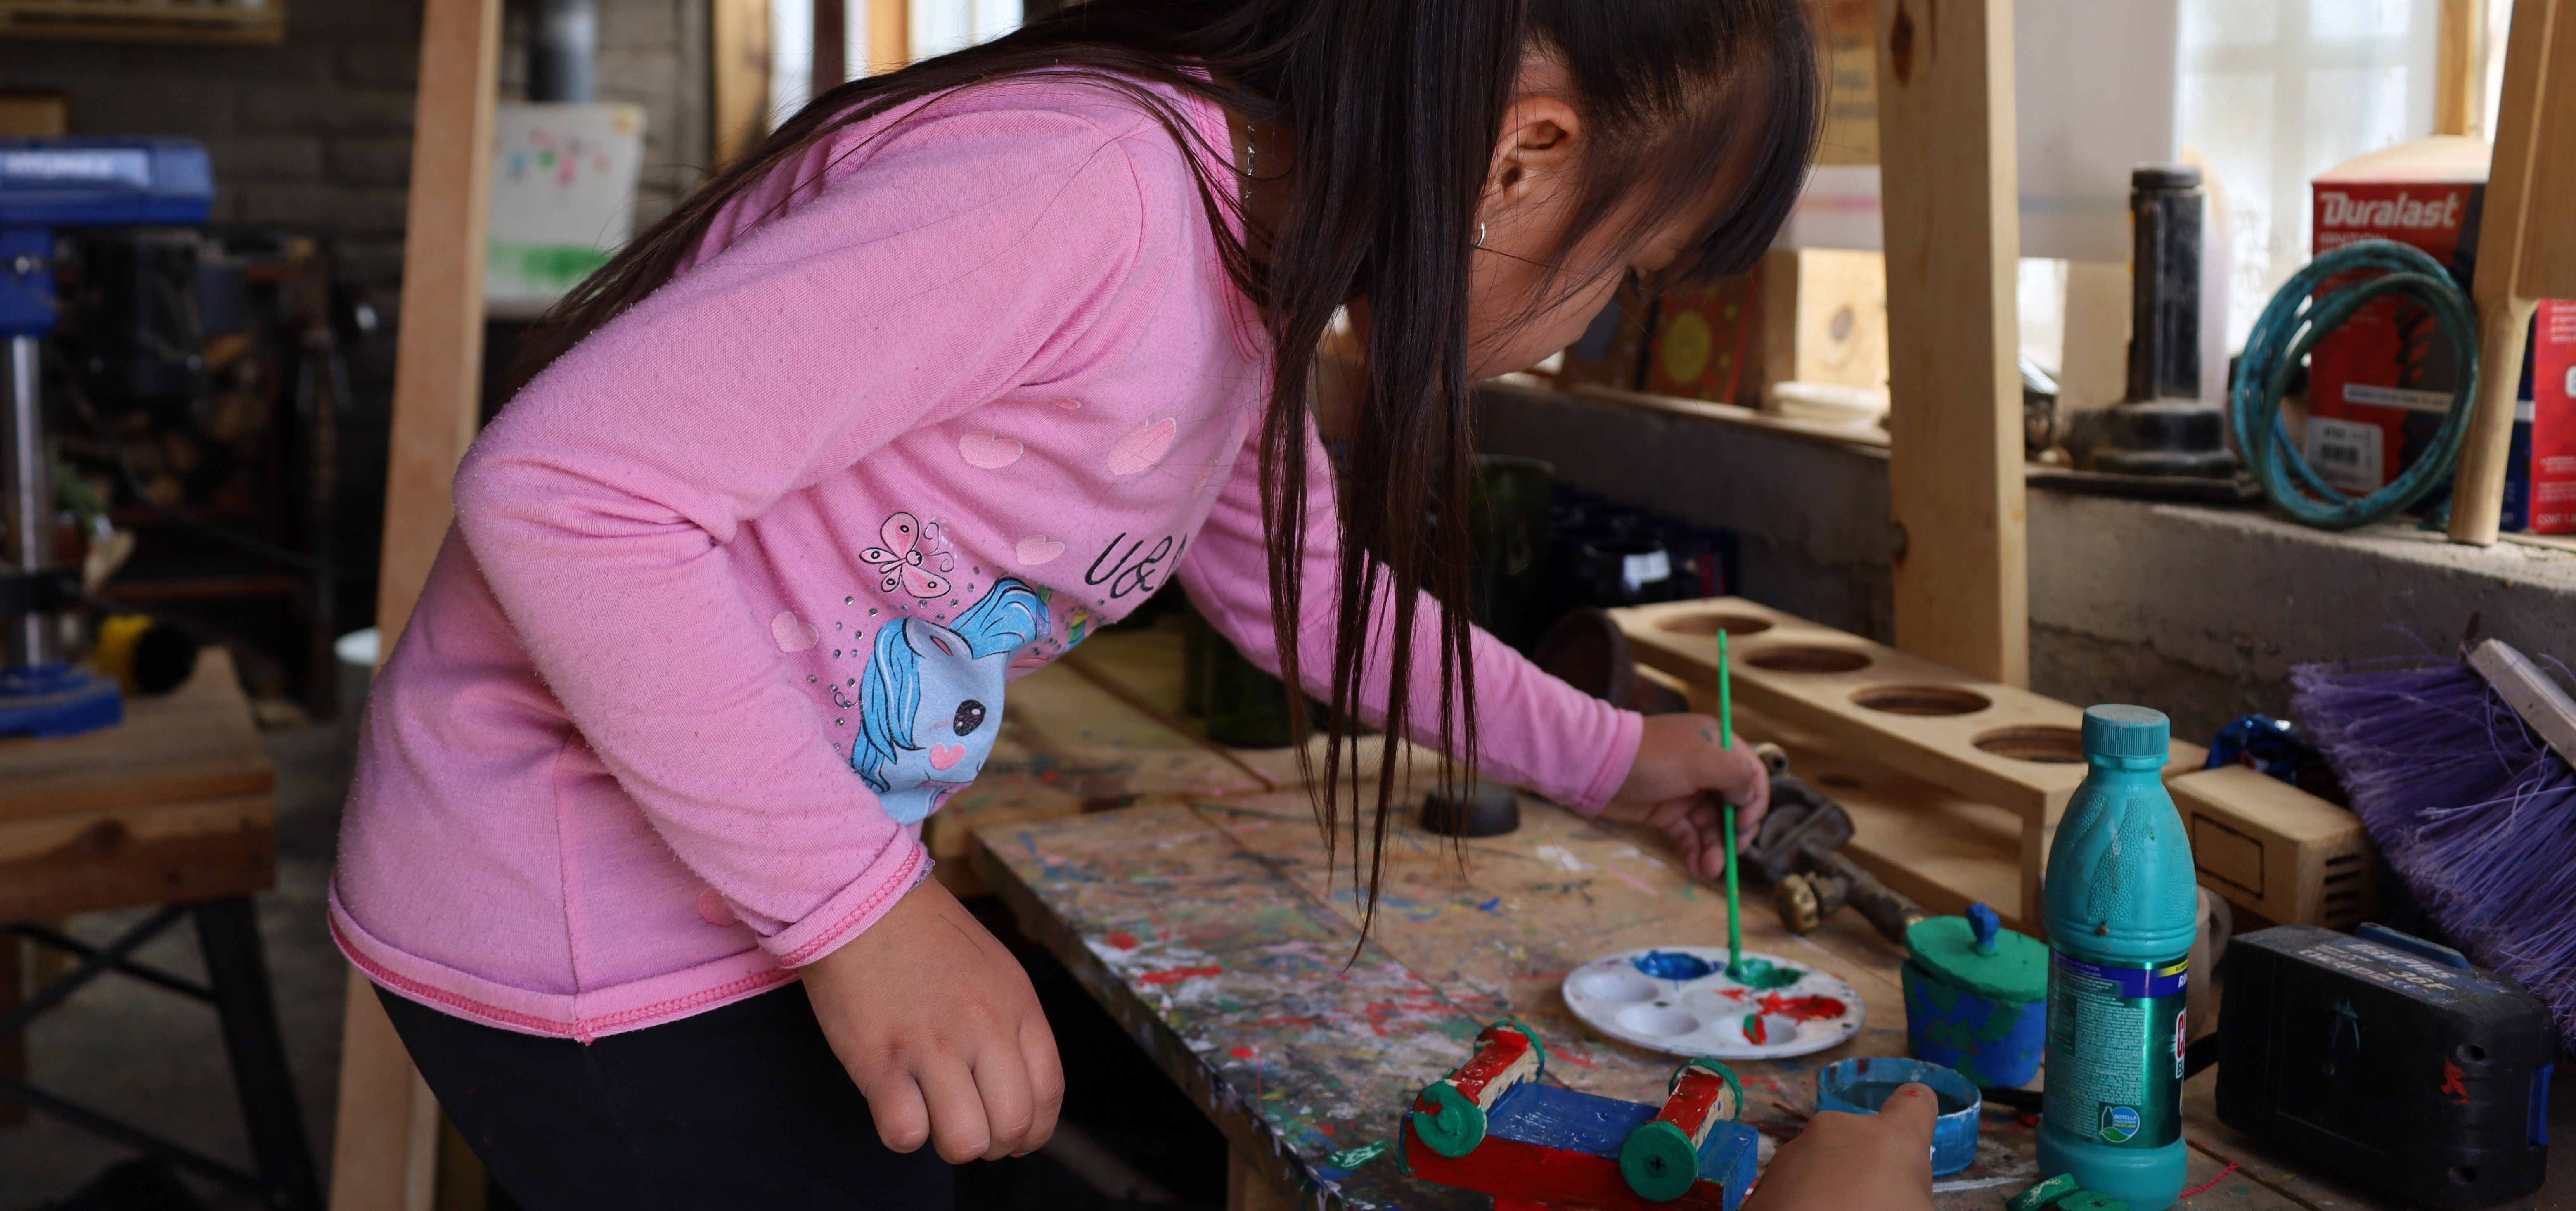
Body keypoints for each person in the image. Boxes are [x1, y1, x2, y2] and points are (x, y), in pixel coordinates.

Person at [333, 0, 1931, 1206]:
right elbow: (569, 494)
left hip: (732, 898)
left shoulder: (1251, 253)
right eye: (1628, 270)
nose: (1593, 326)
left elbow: (1305, 590)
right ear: (1526, 156)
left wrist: (1608, 752)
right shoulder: (1088, 191)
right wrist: (872, 917)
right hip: (580, 918)